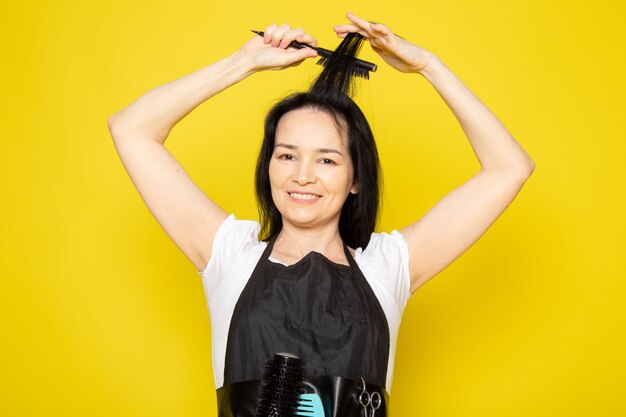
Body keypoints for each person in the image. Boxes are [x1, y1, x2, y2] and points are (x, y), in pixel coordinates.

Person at [107, 11, 534, 417]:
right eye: (287, 155)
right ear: (268, 167)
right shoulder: (229, 257)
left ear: (356, 179)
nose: (303, 176)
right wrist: (243, 62)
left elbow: (509, 167)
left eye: (327, 160)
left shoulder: (389, 268)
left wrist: (429, 66)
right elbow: (132, 128)